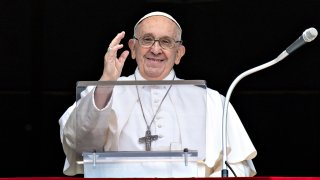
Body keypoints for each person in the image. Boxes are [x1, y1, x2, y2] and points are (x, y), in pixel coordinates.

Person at [59, 11, 257, 177]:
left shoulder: (211, 100)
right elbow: (78, 144)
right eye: (147, 39)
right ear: (133, 48)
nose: (155, 49)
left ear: (179, 53)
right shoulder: (102, 92)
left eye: (166, 42)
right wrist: (106, 82)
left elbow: (239, 166)